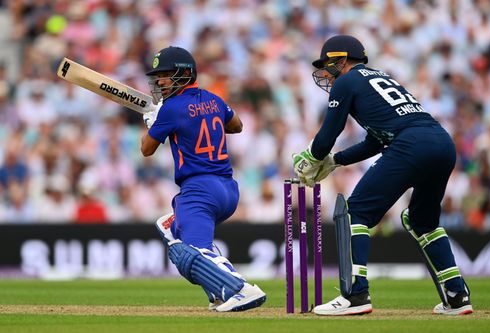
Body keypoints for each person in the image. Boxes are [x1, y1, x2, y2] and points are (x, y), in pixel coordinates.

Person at [292, 35, 473, 316]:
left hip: (411, 144)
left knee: (356, 212)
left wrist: (312, 157)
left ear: (342, 59)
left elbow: (329, 133)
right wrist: (335, 161)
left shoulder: (346, 81)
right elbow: (375, 142)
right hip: (442, 143)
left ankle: (356, 295)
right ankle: (457, 295)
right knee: (422, 222)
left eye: (328, 64)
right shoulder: (379, 78)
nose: (326, 72)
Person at [140, 46, 266, 312]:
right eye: (158, 76)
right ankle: (217, 292)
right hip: (228, 190)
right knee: (171, 231)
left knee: (191, 254)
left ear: (185, 74)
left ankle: (241, 289)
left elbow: (146, 149)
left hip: (199, 190)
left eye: (166, 75)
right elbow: (237, 126)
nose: (160, 81)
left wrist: (153, 123)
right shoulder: (215, 100)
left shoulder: (171, 108)